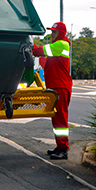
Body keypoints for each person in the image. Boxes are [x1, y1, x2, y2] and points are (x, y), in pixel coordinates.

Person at [32, 22, 72, 160]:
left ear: (61, 33)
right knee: (57, 118)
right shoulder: (57, 47)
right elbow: (44, 60)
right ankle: (60, 146)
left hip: (60, 86)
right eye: (51, 31)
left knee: (60, 118)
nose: (52, 34)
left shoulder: (61, 44)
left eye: (54, 32)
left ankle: (63, 149)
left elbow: (40, 51)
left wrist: (31, 45)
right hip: (57, 86)